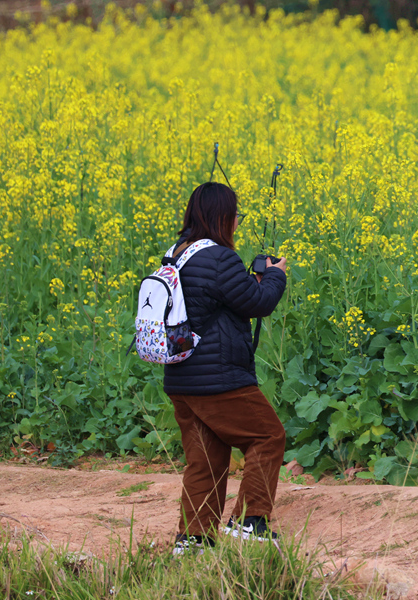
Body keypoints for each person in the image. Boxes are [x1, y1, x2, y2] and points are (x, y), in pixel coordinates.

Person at [162, 182, 288, 554]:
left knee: (205, 459)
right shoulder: (219, 258)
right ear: (223, 217)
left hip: (182, 378)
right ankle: (250, 521)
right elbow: (258, 303)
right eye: (235, 216)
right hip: (218, 378)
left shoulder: (175, 254)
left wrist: (249, 282)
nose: (236, 223)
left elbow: (219, 299)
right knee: (267, 436)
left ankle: (194, 540)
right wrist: (275, 275)